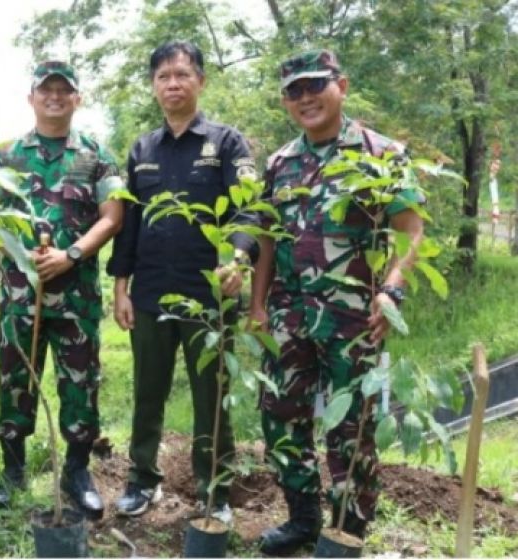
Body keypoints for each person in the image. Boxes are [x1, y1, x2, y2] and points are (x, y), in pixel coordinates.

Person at [251, 49, 424, 555]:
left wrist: (392, 290)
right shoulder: (280, 163)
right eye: (294, 91)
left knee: (353, 427)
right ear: (285, 101)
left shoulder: (381, 154)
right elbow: (267, 240)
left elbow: (410, 232)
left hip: (355, 319)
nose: (305, 98)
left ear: (341, 87)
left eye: (315, 86)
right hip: (288, 315)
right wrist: (257, 305)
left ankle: (347, 531)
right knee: (281, 415)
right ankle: (302, 519)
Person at [107, 40, 259, 520]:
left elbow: (249, 208)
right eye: (163, 77)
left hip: (209, 297)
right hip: (150, 294)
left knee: (211, 397)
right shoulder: (142, 149)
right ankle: (142, 480)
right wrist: (120, 287)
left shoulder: (226, 144)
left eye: (182, 74)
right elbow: (129, 224)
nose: (173, 84)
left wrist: (238, 258)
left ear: (200, 81)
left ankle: (214, 491)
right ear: (154, 86)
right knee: (147, 392)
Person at [0, 61, 124, 520]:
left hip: (77, 298)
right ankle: (12, 471)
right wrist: (18, 255)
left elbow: (112, 217)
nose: (55, 97)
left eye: (65, 90)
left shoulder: (96, 155)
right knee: (15, 381)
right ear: (32, 98)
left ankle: (77, 473)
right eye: (47, 90)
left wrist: (72, 255)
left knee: (82, 386)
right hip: (20, 297)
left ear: (77, 98)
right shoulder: (6, 156)